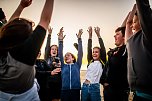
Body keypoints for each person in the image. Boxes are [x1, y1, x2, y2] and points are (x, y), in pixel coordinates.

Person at [0, 0, 54, 101]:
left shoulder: (2, 44)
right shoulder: (27, 51)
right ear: (27, 39)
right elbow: (45, 20)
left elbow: (8, 29)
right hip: (27, 96)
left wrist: (21, 6)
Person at [125, 0, 152, 100]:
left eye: (135, 22)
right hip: (136, 95)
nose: (132, 25)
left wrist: (139, 4)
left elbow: (144, 10)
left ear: (142, 22)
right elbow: (128, 23)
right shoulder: (130, 41)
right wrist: (134, 8)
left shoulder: (148, 36)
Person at [100, 26, 129, 101]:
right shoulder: (112, 52)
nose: (114, 36)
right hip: (108, 91)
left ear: (124, 36)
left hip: (119, 92)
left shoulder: (126, 50)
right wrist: (104, 82)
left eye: (117, 34)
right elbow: (107, 68)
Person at [81, 26, 106, 101]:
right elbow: (89, 48)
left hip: (94, 88)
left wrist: (98, 35)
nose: (94, 53)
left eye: (96, 52)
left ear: (100, 53)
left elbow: (103, 48)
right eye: (93, 52)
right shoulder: (90, 61)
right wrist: (90, 36)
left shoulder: (102, 62)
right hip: (85, 87)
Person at [58, 27, 83, 101]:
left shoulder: (77, 65)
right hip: (64, 91)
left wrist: (79, 39)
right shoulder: (63, 66)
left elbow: (80, 53)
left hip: (75, 90)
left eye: (68, 55)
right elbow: (60, 53)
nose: (66, 56)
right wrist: (61, 41)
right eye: (65, 56)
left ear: (73, 58)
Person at [44, 26, 62, 101]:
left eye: (56, 49)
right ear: (50, 51)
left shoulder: (60, 59)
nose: (54, 50)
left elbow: (61, 49)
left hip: (58, 84)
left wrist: (60, 40)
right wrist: (49, 35)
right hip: (48, 85)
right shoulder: (47, 59)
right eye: (52, 49)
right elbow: (47, 47)